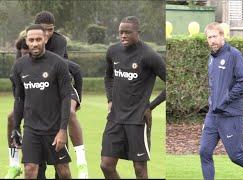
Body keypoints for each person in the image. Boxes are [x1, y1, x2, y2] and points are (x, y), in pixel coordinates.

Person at [199, 22, 243, 180]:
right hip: (213, 116)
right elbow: (214, 86)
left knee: (236, 156)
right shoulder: (211, 59)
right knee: (204, 151)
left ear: (222, 36)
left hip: (230, 115)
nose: (212, 40)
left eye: (215, 36)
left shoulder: (234, 54)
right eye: (209, 37)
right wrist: (211, 107)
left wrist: (225, 100)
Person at [101, 16, 166, 179]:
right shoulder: (113, 51)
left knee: (139, 169)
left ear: (138, 33)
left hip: (137, 120)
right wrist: (110, 99)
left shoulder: (150, 55)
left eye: (127, 32)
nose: (123, 35)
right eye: (121, 32)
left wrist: (150, 106)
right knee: (106, 165)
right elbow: (108, 77)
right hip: (115, 118)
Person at [10, 24, 72, 179]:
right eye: (31, 40)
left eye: (38, 39)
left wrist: (63, 130)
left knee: (63, 171)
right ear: (26, 41)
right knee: (30, 169)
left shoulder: (58, 63)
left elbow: (66, 98)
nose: (35, 43)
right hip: (31, 129)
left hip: (54, 129)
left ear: (45, 39)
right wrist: (16, 127)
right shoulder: (19, 66)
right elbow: (19, 99)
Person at [34, 10, 88, 179]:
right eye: (44, 29)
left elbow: (51, 64)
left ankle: (82, 162)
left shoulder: (59, 40)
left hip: (62, 85)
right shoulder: (27, 40)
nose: (48, 33)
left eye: (50, 29)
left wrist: (78, 99)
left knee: (70, 113)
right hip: (39, 89)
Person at [4, 37, 28, 179]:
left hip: (45, 103)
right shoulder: (17, 68)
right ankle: (14, 164)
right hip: (26, 102)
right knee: (11, 118)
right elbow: (17, 97)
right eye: (22, 53)